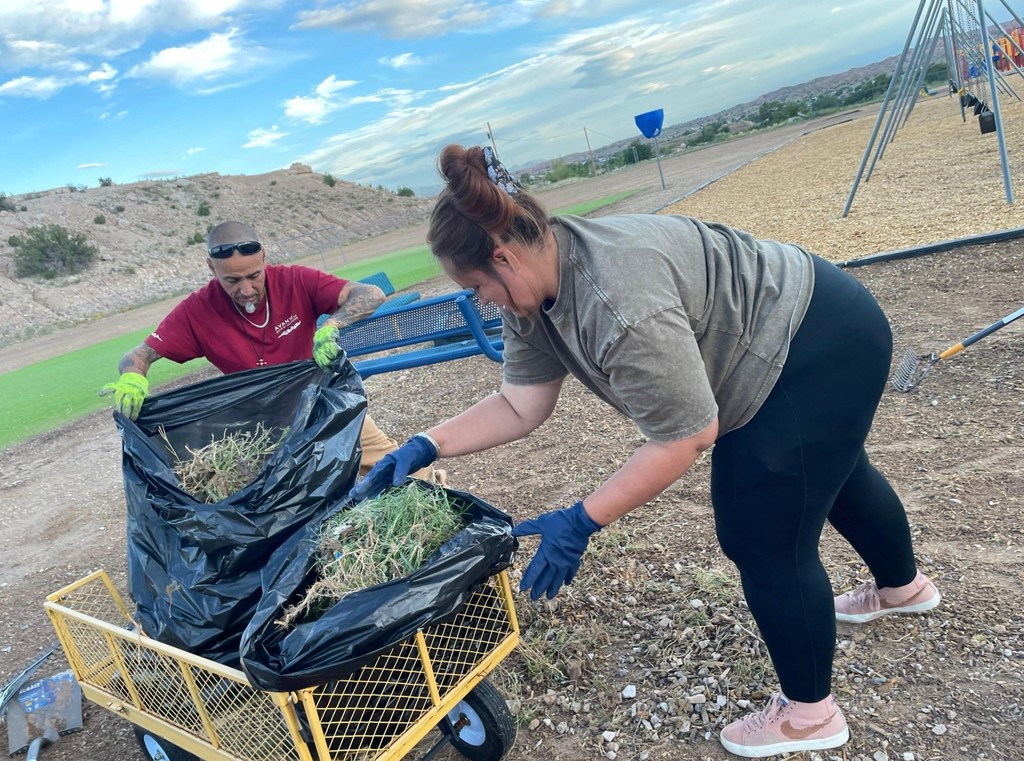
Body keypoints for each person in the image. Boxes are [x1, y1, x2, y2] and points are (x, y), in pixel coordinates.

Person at [349, 145, 941, 758]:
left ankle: (811, 716)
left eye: (476, 287)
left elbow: (686, 437)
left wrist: (582, 520)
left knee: (762, 533)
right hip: (815, 317)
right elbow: (521, 404)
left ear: (503, 256)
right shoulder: (535, 285)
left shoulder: (617, 302)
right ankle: (903, 589)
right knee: (830, 472)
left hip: (812, 343)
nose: (482, 301)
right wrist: (427, 444)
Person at [101, 220, 437, 481]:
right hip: (264, 426)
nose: (246, 289)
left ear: (265, 258)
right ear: (211, 268)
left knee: (396, 466)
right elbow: (138, 355)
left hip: (326, 404)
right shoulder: (198, 310)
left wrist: (331, 325)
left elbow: (370, 294)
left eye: (253, 276)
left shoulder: (294, 280)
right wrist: (133, 377)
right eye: (232, 281)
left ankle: (438, 498)